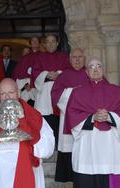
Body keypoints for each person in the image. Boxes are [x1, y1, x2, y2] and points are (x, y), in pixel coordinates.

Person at [0, 78, 55, 188]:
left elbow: (47, 147)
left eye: (11, 92)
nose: (7, 97)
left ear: (18, 93)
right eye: (3, 93)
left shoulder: (34, 116)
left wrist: (26, 128)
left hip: (26, 169)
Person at [64, 57, 120, 188]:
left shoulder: (117, 91)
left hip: (110, 147)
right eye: (91, 67)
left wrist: (110, 116)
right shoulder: (77, 92)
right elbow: (71, 116)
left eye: (98, 66)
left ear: (103, 69)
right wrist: (92, 117)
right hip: (87, 147)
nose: (95, 69)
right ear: (86, 72)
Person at [50, 48, 89, 182]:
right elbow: (56, 95)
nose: (77, 60)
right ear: (70, 59)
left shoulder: (91, 73)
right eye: (74, 57)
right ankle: (69, 177)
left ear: (84, 59)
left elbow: (101, 91)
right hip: (68, 118)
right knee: (69, 146)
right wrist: (75, 92)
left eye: (80, 57)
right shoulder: (63, 75)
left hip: (88, 120)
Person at [32, 34, 70, 147]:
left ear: (57, 43)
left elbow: (68, 71)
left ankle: (58, 147)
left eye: (53, 41)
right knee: (45, 122)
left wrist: (58, 74)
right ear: (44, 44)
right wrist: (46, 74)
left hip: (59, 92)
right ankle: (46, 147)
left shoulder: (64, 57)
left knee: (58, 121)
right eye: (48, 42)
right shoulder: (39, 57)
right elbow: (34, 72)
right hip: (44, 94)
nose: (50, 44)